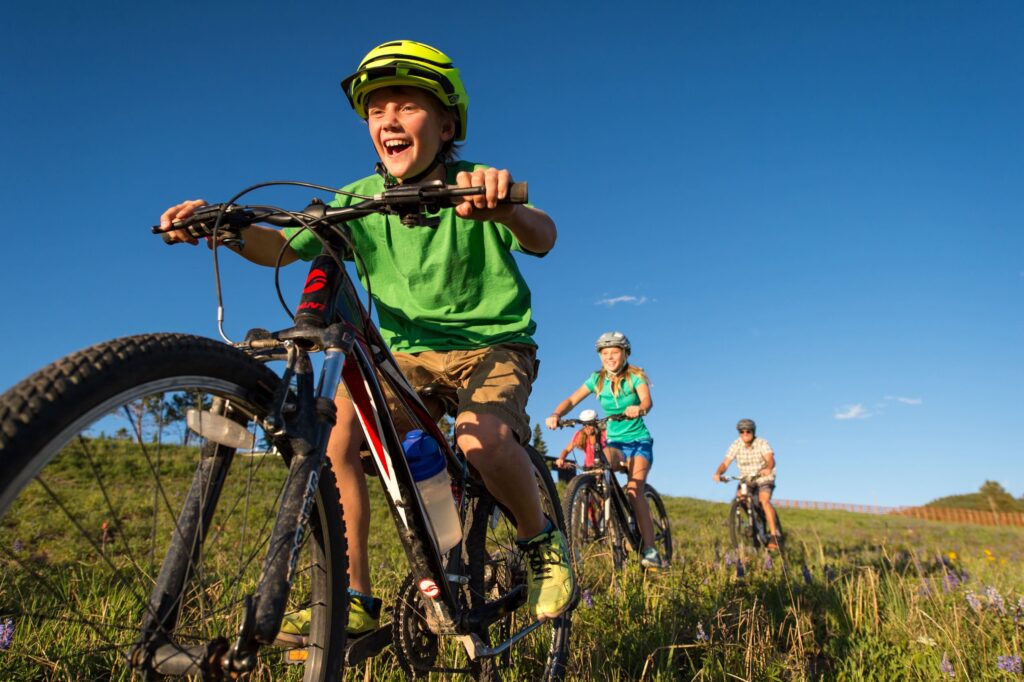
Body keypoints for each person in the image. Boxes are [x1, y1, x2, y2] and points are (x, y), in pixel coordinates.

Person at [159, 39, 575, 639]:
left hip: (494, 348)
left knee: (480, 441)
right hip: (407, 357)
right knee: (337, 434)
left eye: (407, 106)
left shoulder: (471, 186)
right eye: (377, 111)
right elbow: (280, 247)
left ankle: (541, 542)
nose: (388, 121)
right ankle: (355, 596)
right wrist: (224, 229)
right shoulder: (357, 201)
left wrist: (503, 209)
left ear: (448, 122)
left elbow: (544, 236)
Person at [545, 332, 665, 569]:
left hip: (638, 442)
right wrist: (557, 414)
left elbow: (647, 402)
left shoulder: (635, 377)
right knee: (599, 466)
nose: (610, 357)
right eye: (605, 353)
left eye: (615, 352)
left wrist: (639, 408)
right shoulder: (596, 380)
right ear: (600, 356)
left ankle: (650, 549)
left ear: (625, 353)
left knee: (634, 492)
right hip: (616, 444)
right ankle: (608, 516)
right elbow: (572, 399)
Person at [712, 418, 780, 550]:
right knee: (740, 497)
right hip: (747, 478)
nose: (744, 434)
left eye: (747, 431)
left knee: (764, 500)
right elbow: (725, 463)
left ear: (753, 432)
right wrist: (718, 473)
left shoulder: (762, 443)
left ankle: (773, 535)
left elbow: (770, 459)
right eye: (741, 432)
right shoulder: (736, 445)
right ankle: (748, 523)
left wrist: (768, 468)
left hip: (763, 477)